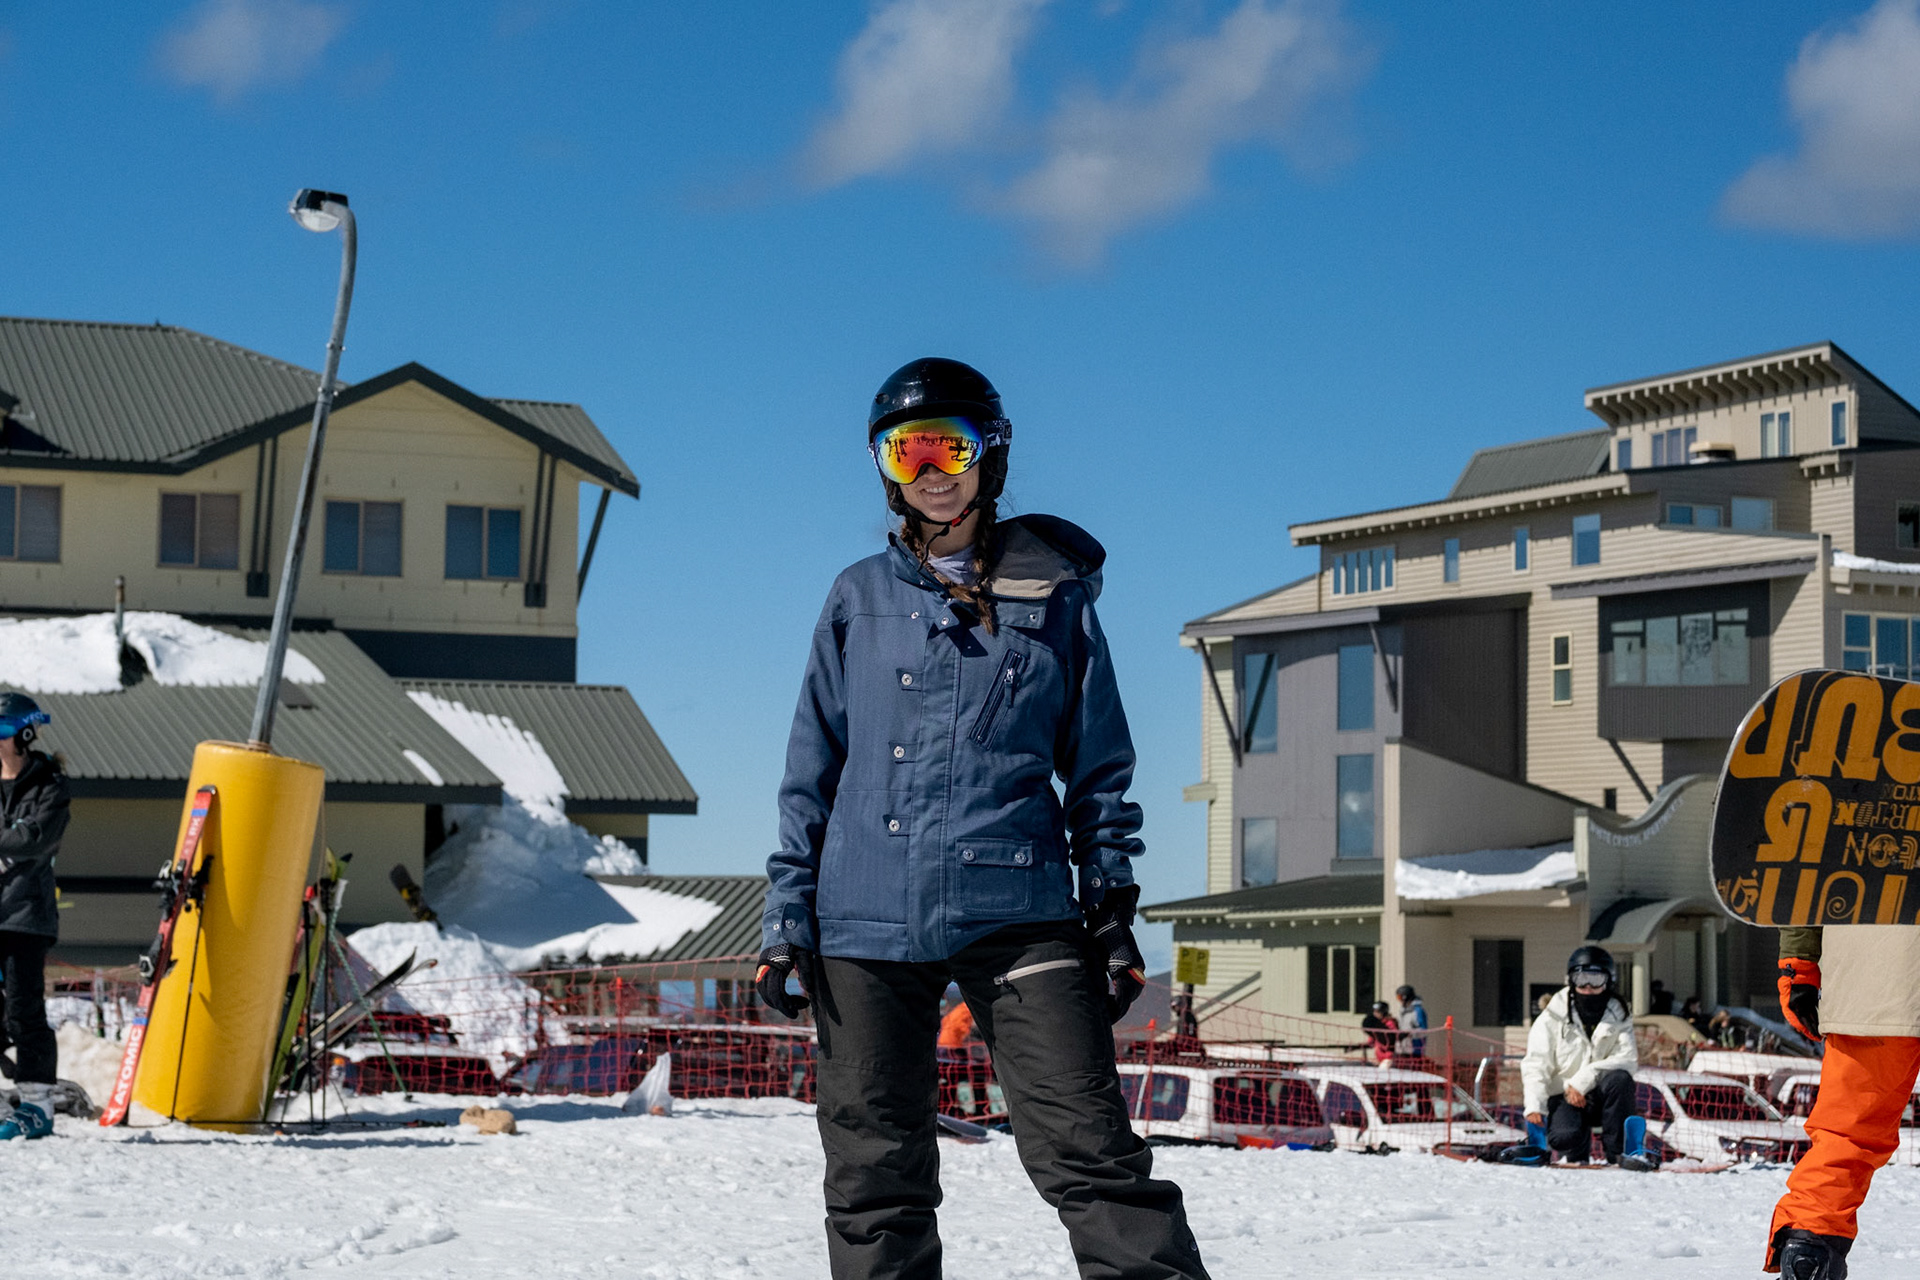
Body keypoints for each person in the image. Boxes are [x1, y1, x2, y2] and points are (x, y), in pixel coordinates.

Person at [757, 358, 1210, 1280]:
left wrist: (1110, 904)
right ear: (886, 468)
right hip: (864, 916)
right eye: (907, 451)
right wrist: (787, 913)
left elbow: (1099, 766)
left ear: (990, 456)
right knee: (873, 1178)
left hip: (1019, 908)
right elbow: (812, 769)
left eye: (950, 448)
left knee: (1093, 1156)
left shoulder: (1055, 597)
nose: (931, 472)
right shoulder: (856, 598)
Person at [1763, 922, 1920, 1278]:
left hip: (1874, 971)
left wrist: (1798, 967)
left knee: (1846, 1137)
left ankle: (1809, 1253)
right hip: (1875, 972)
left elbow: (1806, 889)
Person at [0, 693, 65, 1140]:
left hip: (25, 915)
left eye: (3, 730)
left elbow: (35, 839)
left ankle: (38, 1105)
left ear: (24, 734)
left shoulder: (50, 786)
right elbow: (17, 841)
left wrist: (14, 843)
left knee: (24, 1009)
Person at [1520, 946, 1648, 1169]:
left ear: (1608, 981)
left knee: (1621, 1079)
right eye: (1581, 979)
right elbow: (1536, 1064)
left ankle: (1619, 1154)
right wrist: (1534, 1106)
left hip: (1602, 1098)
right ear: (1570, 981)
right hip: (1563, 1097)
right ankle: (1574, 1151)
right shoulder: (1552, 1017)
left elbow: (1628, 1059)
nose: (1588, 988)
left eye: (1595, 980)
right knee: (1564, 1137)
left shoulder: (1620, 1015)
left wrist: (1583, 1080)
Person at [1361, 1000, 1399, 1065]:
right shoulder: (1376, 1025)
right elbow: (1372, 1040)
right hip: (1379, 1058)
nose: (1375, 1014)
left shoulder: (1390, 1023)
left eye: (1377, 1012)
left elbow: (1391, 1039)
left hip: (1389, 1058)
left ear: (1383, 1012)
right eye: (1374, 1011)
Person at [1395, 984, 1428, 1058]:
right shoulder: (1403, 1011)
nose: (1399, 1001)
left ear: (1405, 997)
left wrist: (1408, 1033)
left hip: (1414, 1050)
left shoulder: (1417, 1011)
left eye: (1399, 997)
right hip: (1402, 1049)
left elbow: (1423, 1031)